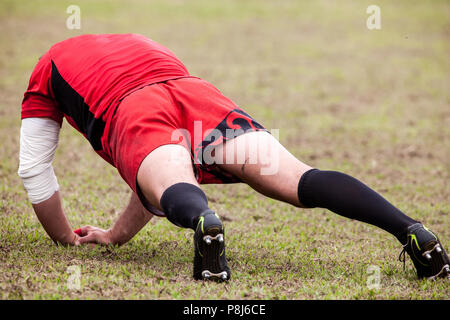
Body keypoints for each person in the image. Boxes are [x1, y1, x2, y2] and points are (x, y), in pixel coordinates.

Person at [18, 33, 449, 281]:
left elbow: (34, 168)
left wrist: (66, 239)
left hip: (134, 108)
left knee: (174, 183)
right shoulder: (138, 42)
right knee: (300, 180)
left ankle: (206, 224)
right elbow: (164, 175)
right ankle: (414, 233)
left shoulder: (46, 70)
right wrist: (115, 234)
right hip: (197, 94)